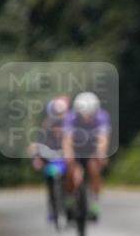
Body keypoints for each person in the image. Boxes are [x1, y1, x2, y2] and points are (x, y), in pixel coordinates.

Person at [62, 92, 111, 220]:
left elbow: (103, 138)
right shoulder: (70, 117)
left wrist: (101, 153)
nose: (87, 118)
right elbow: (67, 139)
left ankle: (94, 202)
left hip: (91, 148)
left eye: (90, 114)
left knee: (94, 170)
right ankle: (70, 198)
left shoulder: (102, 117)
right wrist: (69, 154)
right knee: (71, 171)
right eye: (84, 115)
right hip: (76, 147)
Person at [29, 95, 70, 223]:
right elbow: (36, 145)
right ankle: (53, 209)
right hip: (51, 161)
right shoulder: (45, 128)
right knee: (50, 183)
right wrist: (36, 158)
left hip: (65, 161)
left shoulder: (71, 127)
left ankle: (72, 206)